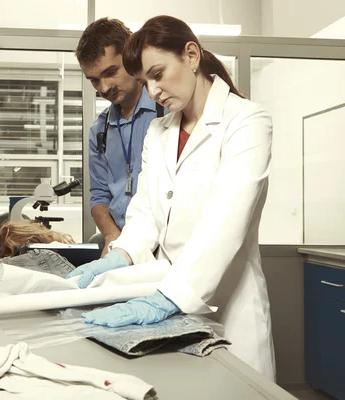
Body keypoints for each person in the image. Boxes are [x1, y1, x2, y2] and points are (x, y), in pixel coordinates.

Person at [67, 15, 276, 381]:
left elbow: (227, 220)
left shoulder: (247, 121)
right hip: (170, 303)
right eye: (146, 81)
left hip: (229, 306)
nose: (153, 92)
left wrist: (169, 297)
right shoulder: (159, 131)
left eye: (158, 74)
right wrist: (120, 254)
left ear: (191, 55)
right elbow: (146, 212)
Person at [76, 18, 162, 256]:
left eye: (110, 72)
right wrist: (112, 236)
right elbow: (99, 195)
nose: (103, 88)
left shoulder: (165, 113)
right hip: (120, 245)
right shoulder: (100, 130)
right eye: (94, 79)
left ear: (131, 58)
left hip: (162, 247)